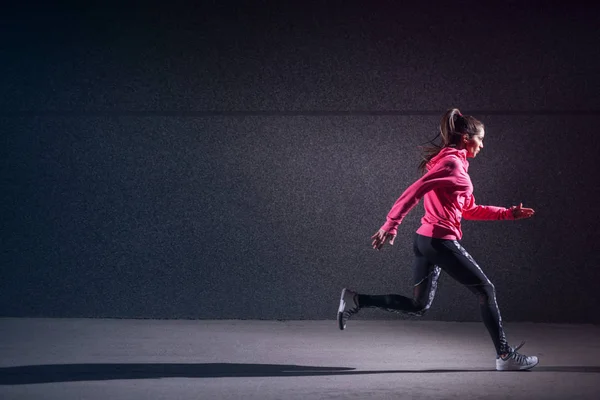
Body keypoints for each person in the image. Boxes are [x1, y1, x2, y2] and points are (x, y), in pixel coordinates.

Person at [337, 108, 539, 371]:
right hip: (439, 241)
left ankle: (357, 300)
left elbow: (469, 210)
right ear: (467, 138)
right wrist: (391, 224)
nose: (483, 145)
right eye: (481, 139)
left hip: (426, 240)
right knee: (485, 290)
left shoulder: (454, 163)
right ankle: (505, 356)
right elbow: (416, 189)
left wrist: (508, 214)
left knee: (418, 305)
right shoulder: (452, 163)